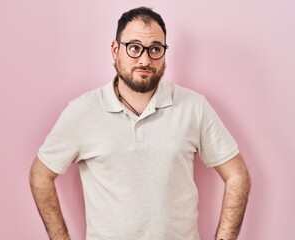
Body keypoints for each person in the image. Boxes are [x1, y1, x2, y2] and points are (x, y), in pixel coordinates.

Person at [29, 6, 251, 240]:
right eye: (134, 48)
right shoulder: (81, 112)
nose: (145, 60)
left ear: (164, 53)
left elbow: (237, 175)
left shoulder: (193, 107)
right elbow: (40, 175)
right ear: (115, 50)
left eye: (155, 49)